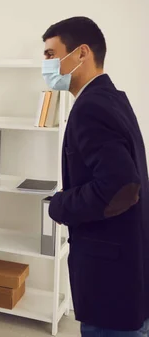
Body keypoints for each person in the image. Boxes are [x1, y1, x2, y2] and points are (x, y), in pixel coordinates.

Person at [43, 17, 149, 337]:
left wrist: (59, 205)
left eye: (50, 54)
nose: (46, 65)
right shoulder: (111, 96)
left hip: (110, 281)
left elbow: (121, 186)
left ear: (81, 53)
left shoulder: (91, 107)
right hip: (127, 270)